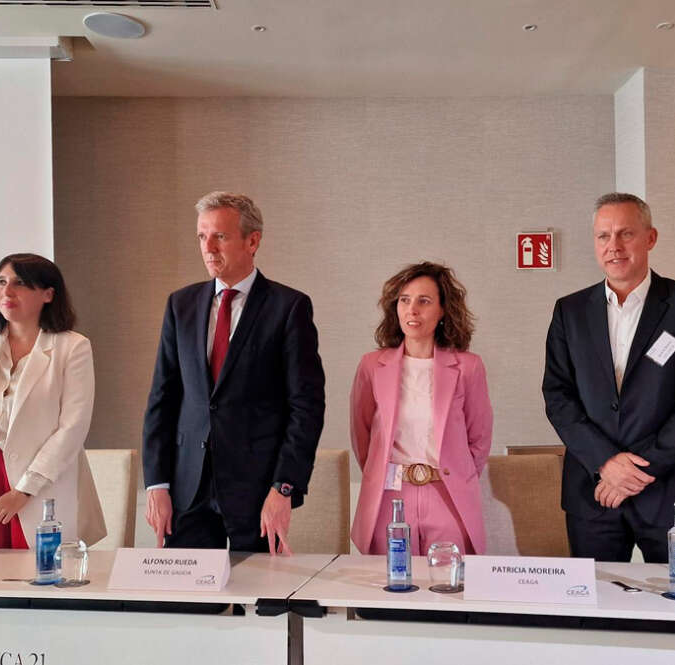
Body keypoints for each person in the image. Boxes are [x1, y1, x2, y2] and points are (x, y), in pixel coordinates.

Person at [542, 193, 675, 563]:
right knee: (596, 610)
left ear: (650, 238)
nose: (614, 247)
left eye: (626, 234)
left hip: (670, 489)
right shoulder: (570, 311)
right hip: (595, 491)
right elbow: (558, 396)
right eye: (603, 236)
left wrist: (639, 470)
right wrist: (607, 463)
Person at [142, 191, 325, 555]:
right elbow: (163, 398)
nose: (208, 247)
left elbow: (306, 407)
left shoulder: (288, 308)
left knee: (259, 602)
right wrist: (157, 485)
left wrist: (284, 487)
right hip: (187, 489)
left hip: (257, 491)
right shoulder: (181, 305)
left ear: (252, 240)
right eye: (201, 236)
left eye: (220, 236)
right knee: (190, 608)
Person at [0, 253, 106, 548]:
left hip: (41, 487)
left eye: (19, 283)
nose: (6, 292)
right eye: (1, 282)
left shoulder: (73, 347)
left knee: (40, 583)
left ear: (47, 294)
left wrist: (23, 491)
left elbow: (73, 428)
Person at [350, 262, 493, 556]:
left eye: (424, 301)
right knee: (387, 590)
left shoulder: (468, 367)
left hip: (447, 495)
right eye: (404, 300)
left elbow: (479, 439)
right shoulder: (371, 366)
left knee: (449, 590)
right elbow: (361, 435)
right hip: (389, 495)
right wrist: (383, 474)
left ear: (442, 311)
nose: (412, 310)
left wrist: (457, 475)